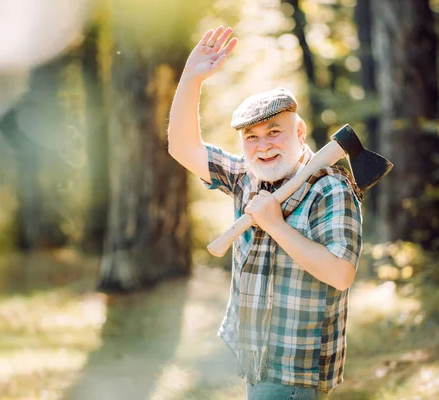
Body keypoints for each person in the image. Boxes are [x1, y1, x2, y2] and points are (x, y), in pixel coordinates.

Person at [167, 26, 363, 400]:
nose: (263, 146)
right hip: (255, 356)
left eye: (274, 132)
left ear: (300, 131)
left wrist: (275, 224)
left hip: (295, 370)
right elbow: (182, 146)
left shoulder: (330, 188)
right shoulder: (246, 176)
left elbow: (341, 274)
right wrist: (191, 79)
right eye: (251, 137)